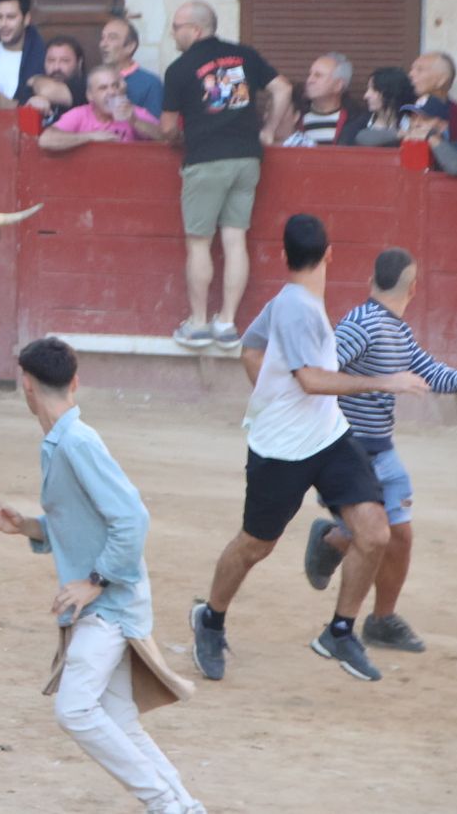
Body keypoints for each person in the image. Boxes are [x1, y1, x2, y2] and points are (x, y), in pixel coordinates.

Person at [188, 214, 429, 685]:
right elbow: (312, 380)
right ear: (331, 253)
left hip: (327, 436)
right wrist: (386, 381)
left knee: (375, 531)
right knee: (256, 544)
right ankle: (210, 619)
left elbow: (249, 349)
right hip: (280, 448)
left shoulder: (289, 302)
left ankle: (339, 631)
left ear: (283, 257)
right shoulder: (297, 307)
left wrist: (267, 392)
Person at [0, 338, 203, 814]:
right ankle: (183, 806)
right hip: (109, 600)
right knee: (117, 719)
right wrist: (29, 527)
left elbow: (132, 519)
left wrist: (95, 581)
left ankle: (165, 805)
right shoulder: (63, 440)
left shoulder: (77, 442)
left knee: (75, 709)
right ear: (74, 382)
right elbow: (88, 522)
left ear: (26, 386)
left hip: (108, 605)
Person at [303, 248, 457, 654]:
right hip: (347, 451)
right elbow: (319, 372)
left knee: (400, 537)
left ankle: (380, 620)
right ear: (414, 288)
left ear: (371, 282)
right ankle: (335, 540)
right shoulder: (361, 325)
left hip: (381, 449)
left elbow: (429, 372)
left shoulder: (397, 330)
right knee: (377, 535)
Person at [160, 0, 293, 350]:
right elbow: (283, 88)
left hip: (205, 160)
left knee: (199, 242)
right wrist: (268, 130)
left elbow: (168, 127)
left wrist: (176, 138)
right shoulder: (244, 55)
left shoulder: (179, 69)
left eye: (177, 26)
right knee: (235, 240)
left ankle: (199, 324)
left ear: (196, 30)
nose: (173, 33)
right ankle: (228, 323)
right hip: (247, 157)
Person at [39, 66, 163, 153]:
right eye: (103, 88)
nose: (112, 92)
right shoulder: (80, 114)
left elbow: (168, 138)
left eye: (115, 86)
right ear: (90, 95)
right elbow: (46, 140)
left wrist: (136, 122)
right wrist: (90, 137)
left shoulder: (134, 113)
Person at [399, 95, 457, 177]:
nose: (416, 123)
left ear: (443, 125)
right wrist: (402, 134)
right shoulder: (406, 138)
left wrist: (430, 137)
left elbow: (456, 167)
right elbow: (385, 136)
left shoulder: (456, 146)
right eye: (413, 118)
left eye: (425, 119)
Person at [99, 17, 164, 118]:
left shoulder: (150, 83)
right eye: (102, 38)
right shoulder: (95, 79)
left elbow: (156, 128)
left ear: (130, 46)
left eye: (112, 38)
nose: (103, 44)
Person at [24, 34, 87, 124]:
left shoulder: (86, 87)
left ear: (79, 63)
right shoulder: (33, 89)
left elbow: (47, 90)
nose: (56, 67)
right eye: (51, 60)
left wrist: (35, 80)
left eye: (65, 60)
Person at [345, 67, 413, 146]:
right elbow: (360, 138)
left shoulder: (413, 122)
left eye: (373, 90)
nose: (366, 96)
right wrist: (398, 134)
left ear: (391, 92)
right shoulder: (359, 123)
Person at [295, 53, 353, 145]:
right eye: (310, 74)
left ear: (338, 85)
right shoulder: (295, 117)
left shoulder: (354, 122)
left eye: (318, 75)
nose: (309, 80)